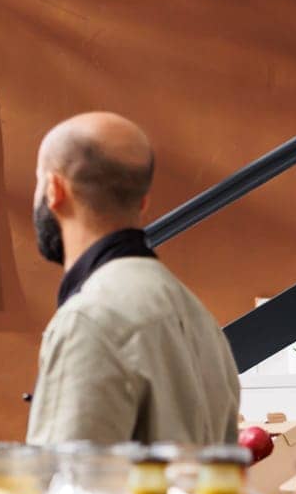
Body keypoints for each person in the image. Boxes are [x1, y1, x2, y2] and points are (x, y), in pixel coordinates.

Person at [25, 112, 240, 446]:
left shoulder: (90, 320)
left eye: (38, 181)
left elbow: (68, 486)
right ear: (143, 204)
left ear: (54, 189)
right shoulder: (200, 317)